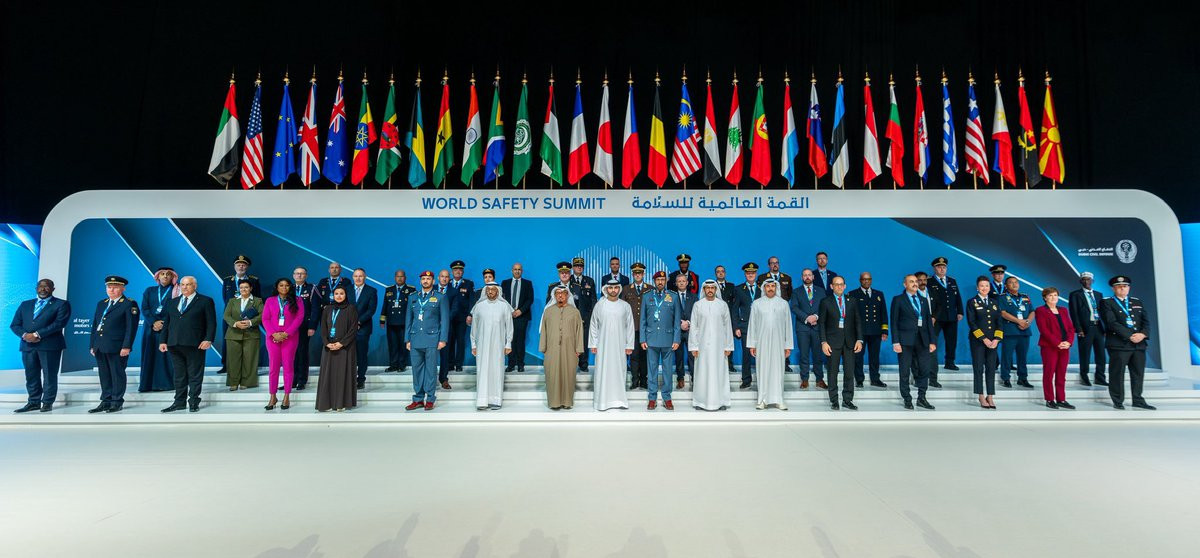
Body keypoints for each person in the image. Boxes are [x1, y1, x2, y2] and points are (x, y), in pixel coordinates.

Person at [9, 278, 70, 413]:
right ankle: (33, 402)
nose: (43, 289)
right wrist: (25, 335)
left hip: (50, 346)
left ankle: (47, 402)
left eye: (47, 286)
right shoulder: (25, 304)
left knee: (49, 375)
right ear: (36, 288)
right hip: (28, 345)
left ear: (53, 289)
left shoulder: (61, 304)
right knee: (31, 375)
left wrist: (37, 334)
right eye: (40, 286)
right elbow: (15, 325)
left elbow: (59, 323)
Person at [159, 276, 217, 413]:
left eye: (188, 284)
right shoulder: (172, 302)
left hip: (195, 344)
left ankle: (193, 402)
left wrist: (208, 339)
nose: (185, 287)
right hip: (174, 343)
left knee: (195, 375)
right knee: (179, 375)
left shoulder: (205, 301)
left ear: (195, 286)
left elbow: (211, 322)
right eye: (182, 284)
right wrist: (162, 340)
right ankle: (179, 402)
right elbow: (167, 323)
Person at [1102, 276, 1155, 410]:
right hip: (1119, 344)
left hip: (1139, 344)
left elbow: (1146, 322)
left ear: (1129, 288)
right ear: (1113, 288)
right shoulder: (1107, 302)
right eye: (1119, 286)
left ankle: (1138, 400)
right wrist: (1130, 336)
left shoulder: (1136, 301)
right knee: (1117, 373)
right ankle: (1118, 400)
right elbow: (1111, 323)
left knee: (1138, 374)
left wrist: (1143, 334)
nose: (1122, 288)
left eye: (1125, 286)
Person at [89, 276, 139, 413]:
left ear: (123, 288)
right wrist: (93, 344)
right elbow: (95, 325)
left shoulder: (129, 304)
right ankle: (106, 401)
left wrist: (126, 346)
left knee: (117, 374)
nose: (111, 290)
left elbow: (131, 328)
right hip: (100, 345)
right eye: (109, 287)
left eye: (115, 287)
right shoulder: (102, 303)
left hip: (117, 346)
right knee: (104, 374)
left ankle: (116, 401)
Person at [405, 271, 450, 411]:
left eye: (428, 279)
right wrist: (407, 339)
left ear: (433, 281)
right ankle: (418, 399)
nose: (425, 281)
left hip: (432, 338)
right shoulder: (413, 297)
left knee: (430, 370)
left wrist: (443, 339)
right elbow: (408, 320)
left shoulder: (440, 297)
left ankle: (430, 398)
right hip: (415, 338)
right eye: (423, 279)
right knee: (416, 370)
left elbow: (445, 320)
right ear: (420, 281)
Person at [891, 275, 936, 410]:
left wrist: (932, 341)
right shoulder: (898, 300)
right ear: (905, 284)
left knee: (924, 369)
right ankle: (907, 398)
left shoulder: (923, 300)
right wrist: (895, 342)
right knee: (904, 371)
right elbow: (894, 322)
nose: (915, 284)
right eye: (911, 282)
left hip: (923, 341)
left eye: (916, 281)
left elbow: (928, 322)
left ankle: (922, 398)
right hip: (905, 341)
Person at [747, 278, 794, 410]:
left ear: (776, 287)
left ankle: (779, 399)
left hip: (779, 343)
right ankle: (762, 400)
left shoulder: (783, 304)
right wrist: (752, 344)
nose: (770, 288)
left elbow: (788, 325)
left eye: (773, 286)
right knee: (763, 370)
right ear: (764, 288)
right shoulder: (757, 304)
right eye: (768, 286)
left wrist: (788, 346)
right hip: (761, 343)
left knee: (778, 370)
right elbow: (752, 325)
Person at [818, 276, 864, 410]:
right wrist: (823, 342)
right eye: (836, 284)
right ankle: (834, 400)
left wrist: (859, 340)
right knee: (832, 373)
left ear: (845, 286)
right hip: (832, 342)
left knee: (849, 372)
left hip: (850, 342)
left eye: (841, 284)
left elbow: (858, 321)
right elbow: (821, 324)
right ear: (831, 286)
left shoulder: (852, 301)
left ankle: (847, 400)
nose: (839, 286)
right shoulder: (825, 302)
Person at [589, 279, 634, 411]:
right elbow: (593, 325)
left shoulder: (625, 306)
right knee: (603, 371)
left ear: (619, 289)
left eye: (615, 288)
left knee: (619, 370)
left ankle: (619, 400)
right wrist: (593, 344)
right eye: (610, 288)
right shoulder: (600, 305)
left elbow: (630, 326)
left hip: (620, 345)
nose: (613, 290)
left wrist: (629, 345)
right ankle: (602, 402)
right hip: (603, 346)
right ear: (606, 289)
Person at [690, 280, 734, 411]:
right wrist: (694, 346)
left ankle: (721, 401)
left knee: (719, 373)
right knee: (702, 373)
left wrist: (728, 346)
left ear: (716, 290)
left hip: (719, 347)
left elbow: (727, 327)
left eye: (712, 288)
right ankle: (701, 402)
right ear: (704, 290)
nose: (710, 290)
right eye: (707, 288)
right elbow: (694, 327)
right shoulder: (698, 305)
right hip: (702, 347)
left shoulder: (723, 305)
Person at [641, 271, 682, 410]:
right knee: (652, 370)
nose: (660, 282)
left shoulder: (673, 296)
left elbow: (677, 321)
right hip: (651, 339)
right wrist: (642, 339)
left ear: (666, 281)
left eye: (663, 279)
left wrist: (676, 339)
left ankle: (667, 397)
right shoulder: (647, 296)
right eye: (658, 279)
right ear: (654, 281)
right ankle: (652, 398)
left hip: (668, 339)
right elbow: (643, 320)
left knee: (667, 370)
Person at [470, 282, 513, 410]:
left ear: (498, 291)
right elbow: (474, 328)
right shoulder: (479, 306)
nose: (490, 292)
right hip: (482, 345)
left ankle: (496, 400)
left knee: (496, 370)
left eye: (493, 290)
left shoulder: (504, 306)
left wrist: (508, 343)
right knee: (482, 371)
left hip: (498, 345)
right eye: (488, 290)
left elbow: (509, 327)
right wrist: (473, 345)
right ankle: (482, 401)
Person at [263, 278, 305, 411]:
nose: (284, 288)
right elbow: (265, 319)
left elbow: (299, 318)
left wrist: (286, 333)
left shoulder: (297, 300)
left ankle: (287, 396)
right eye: (281, 285)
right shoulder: (270, 300)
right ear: (277, 287)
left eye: (287, 285)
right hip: (273, 338)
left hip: (290, 338)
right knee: (273, 368)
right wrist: (273, 334)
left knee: (288, 366)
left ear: (290, 287)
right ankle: (272, 396)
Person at [540, 285, 584, 410]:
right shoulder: (548, 311)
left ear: (567, 295)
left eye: (563, 293)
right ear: (554, 295)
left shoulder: (575, 312)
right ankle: (554, 402)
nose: (560, 295)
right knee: (552, 375)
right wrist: (543, 347)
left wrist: (579, 349)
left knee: (568, 375)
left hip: (570, 350)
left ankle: (567, 402)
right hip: (551, 349)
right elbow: (544, 331)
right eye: (557, 293)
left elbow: (579, 331)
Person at [316, 286, 358, 412]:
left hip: (345, 348)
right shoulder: (327, 309)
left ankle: (341, 403)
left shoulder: (351, 309)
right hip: (329, 347)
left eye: (341, 293)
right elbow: (323, 328)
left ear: (346, 295)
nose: (339, 296)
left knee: (343, 375)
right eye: (336, 294)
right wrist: (326, 343)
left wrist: (341, 343)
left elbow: (353, 329)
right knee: (328, 375)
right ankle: (327, 403)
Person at [1035, 287, 1076, 409]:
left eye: (1055, 295)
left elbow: (1070, 328)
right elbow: (1044, 330)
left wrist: (1069, 342)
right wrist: (1057, 343)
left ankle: (1061, 399)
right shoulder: (1041, 310)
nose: (1053, 297)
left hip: (1065, 347)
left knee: (1061, 374)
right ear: (1045, 298)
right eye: (1050, 295)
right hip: (1050, 347)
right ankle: (1049, 399)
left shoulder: (1063, 310)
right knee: (1049, 373)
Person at [219, 254, 260, 374]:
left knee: (249, 341)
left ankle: (248, 366)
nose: (241, 267)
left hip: (248, 316)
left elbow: (257, 299)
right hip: (231, 316)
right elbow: (225, 299)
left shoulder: (254, 280)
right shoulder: (227, 280)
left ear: (247, 267)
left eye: (243, 265)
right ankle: (226, 365)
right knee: (228, 340)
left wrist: (249, 315)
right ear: (234, 266)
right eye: (238, 264)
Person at [138, 267, 178, 392]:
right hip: (150, 328)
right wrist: (153, 322)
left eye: (168, 274)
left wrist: (164, 323)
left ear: (172, 277)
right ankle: (147, 385)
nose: (165, 276)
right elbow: (145, 308)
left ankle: (166, 384)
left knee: (166, 356)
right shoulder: (149, 290)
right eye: (162, 274)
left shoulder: (177, 291)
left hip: (169, 328)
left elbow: (177, 309)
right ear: (158, 277)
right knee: (149, 355)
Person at [966, 276, 1003, 409]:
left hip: (993, 342)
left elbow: (999, 322)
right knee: (978, 368)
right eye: (982, 286)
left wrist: (997, 339)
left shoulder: (994, 302)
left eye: (987, 285)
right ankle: (981, 395)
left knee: (991, 368)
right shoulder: (972, 302)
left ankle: (990, 396)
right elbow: (972, 323)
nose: (984, 288)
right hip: (978, 341)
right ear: (977, 288)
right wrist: (984, 339)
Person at [847, 272, 888, 388]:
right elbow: (850, 315)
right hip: (860, 332)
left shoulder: (879, 294)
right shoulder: (853, 294)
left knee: (874, 356)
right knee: (858, 357)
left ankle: (875, 379)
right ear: (860, 280)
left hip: (875, 331)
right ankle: (859, 379)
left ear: (871, 280)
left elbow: (883, 313)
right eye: (864, 279)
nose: (866, 281)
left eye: (868, 279)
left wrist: (884, 331)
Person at [1068, 271, 1107, 386]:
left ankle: (1100, 377)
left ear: (1092, 281)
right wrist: (1079, 329)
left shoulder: (1099, 294)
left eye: (1088, 279)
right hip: (1086, 328)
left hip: (1098, 327)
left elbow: (1103, 312)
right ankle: (1084, 376)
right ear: (1080, 281)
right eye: (1084, 279)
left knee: (1101, 354)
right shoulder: (1075, 294)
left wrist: (1105, 328)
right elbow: (1074, 313)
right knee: (1085, 353)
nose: (1086, 281)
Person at [222, 279, 262, 390]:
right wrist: (235, 324)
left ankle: (247, 382)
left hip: (251, 334)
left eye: (246, 287)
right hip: (233, 334)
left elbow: (261, 315)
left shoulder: (257, 301)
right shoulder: (232, 301)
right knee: (233, 359)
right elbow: (226, 316)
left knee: (250, 359)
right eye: (241, 287)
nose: (243, 289)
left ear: (251, 288)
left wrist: (250, 322)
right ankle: (233, 382)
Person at [790, 269, 826, 389]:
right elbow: (794, 307)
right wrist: (807, 318)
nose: (807, 277)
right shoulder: (796, 292)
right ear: (802, 277)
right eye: (805, 275)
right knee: (804, 355)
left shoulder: (821, 291)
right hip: (802, 328)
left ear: (813, 277)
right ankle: (804, 379)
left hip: (817, 327)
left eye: (809, 275)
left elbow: (824, 307)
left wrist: (816, 316)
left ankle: (819, 379)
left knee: (818, 355)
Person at [998, 276, 1035, 389]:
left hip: (1024, 331)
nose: (1014, 284)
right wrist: (1019, 321)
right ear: (1006, 286)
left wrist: (1027, 322)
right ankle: (1006, 378)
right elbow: (1003, 313)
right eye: (1011, 282)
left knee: (1022, 356)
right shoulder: (1002, 297)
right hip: (1010, 331)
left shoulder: (1025, 297)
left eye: (1016, 282)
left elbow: (1032, 311)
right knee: (1007, 356)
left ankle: (1022, 378)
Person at [927, 257, 963, 372]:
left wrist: (960, 311)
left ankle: (950, 362)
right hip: (936, 317)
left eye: (944, 267)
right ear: (934, 268)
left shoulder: (952, 281)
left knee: (952, 340)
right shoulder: (929, 281)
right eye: (939, 267)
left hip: (951, 316)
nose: (942, 269)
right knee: (932, 340)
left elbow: (957, 297)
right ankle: (931, 363)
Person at [620, 263, 651, 389]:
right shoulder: (626, 289)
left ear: (643, 274)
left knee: (645, 356)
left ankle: (644, 380)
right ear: (632, 274)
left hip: (646, 328)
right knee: (633, 356)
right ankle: (634, 380)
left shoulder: (650, 289)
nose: (638, 275)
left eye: (640, 273)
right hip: (631, 328)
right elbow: (622, 309)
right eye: (635, 273)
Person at [732, 262, 761, 389]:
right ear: (745, 274)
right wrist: (736, 327)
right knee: (746, 354)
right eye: (748, 273)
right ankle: (746, 379)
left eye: (753, 273)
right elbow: (734, 309)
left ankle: (762, 379)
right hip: (745, 326)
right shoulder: (738, 289)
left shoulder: (763, 288)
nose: (750, 275)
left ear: (756, 274)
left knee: (762, 353)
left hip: (761, 327)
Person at [501, 263, 534, 372]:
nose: (517, 271)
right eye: (515, 269)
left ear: (522, 271)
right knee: (510, 340)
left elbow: (530, 299)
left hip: (522, 316)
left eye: (519, 269)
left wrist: (520, 311)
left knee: (520, 341)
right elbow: (502, 299)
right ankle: (511, 364)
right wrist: (510, 311)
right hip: (508, 316)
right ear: (512, 271)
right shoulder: (505, 283)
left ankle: (520, 364)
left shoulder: (527, 283)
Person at [382, 270, 416, 372]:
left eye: (402, 276)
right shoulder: (389, 289)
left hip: (404, 322)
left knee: (403, 344)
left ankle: (401, 365)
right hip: (391, 322)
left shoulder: (411, 289)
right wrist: (382, 320)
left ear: (405, 278)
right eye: (398, 276)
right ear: (395, 278)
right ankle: (393, 365)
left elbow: (414, 307)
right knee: (392, 344)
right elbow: (385, 305)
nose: (399, 278)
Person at [349, 268, 377, 389]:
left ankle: (361, 379)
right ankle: (349, 379)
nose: (358, 278)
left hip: (363, 328)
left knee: (361, 354)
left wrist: (359, 321)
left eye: (360, 276)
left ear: (365, 277)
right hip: (347, 328)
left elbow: (371, 310)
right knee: (348, 355)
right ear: (353, 277)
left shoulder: (371, 291)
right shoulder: (347, 289)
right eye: (356, 276)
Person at [447, 260, 475, 374]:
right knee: (449, 341)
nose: (458, 271)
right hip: (449, 318)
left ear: (463, 271)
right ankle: (450, 364)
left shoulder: (468, 284)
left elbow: (472, 300)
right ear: (452, 271)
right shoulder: (447, 283)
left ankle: (459, 364)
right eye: (455, 270)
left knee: (460, 341)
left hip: (462, 318)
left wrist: (470, 314)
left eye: (460, 270)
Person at [913, 270, 941, 388]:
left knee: (932, 353)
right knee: (916, 354)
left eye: (925, 280)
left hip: (931, 327)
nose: (923, 282)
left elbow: (939, 305)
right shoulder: (912, 294)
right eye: (920, 280)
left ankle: (933, 379)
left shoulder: (933, 292)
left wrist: (934, 317)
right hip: (917, 328)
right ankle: (917, 378)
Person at [568, 257, 596, 372]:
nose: (579, 267)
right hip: (571, 316)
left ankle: (583, 364)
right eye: (576, 265)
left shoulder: (589, 281)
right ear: (573, 267)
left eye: (581, 266)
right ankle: (571, 363)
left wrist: (591, 315)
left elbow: (593, 299)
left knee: (584, 340)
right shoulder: (568, 280)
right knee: (571, 340)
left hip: (585, 316)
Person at [292, 267, 316, 390]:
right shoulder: (288, 288)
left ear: (306, 275)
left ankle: (301, 380)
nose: (299, 275)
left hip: (304, 326)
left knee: (302, 353)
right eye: (297, 273)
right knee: (291, 354)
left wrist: (312, 326)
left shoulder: (311, 289)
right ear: (293, 275)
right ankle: (292, 380)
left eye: (302, 274)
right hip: (290, 327)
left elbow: (315, 309)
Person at [436, 269, 460, 388]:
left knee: (445, 354)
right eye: (442, 276)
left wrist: (444, 320)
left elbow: (455, 309)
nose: (444, 279)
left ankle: (443, 379)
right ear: (438, 278)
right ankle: (429, 378)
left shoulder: (454, 291)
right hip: (430, 327)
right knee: (429, 354)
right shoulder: (431, 289)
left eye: (446, 277)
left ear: (449, 278)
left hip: (446, 327)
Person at [672, 273, 696, 388]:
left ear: (687, 283)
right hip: (677, 331)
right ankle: (680, 378)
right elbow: (670, 313)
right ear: (676, 283)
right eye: (679, 281)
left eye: (683, 281)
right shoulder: (671, 297)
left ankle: (694, 378)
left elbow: (697, 313)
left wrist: (689, 323)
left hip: (691, 330)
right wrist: (680, 323)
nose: (681, 283)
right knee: (679, 355)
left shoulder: (694, 297)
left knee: (692, 355)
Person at [714, 265, 738, 372]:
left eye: (722, 271)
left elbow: (735, 303)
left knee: (729, 341)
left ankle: (729, 364)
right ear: (715, 274)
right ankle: (718, 364)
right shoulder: (712, 286)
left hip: (729, 317)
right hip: (716, 318)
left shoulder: (731, 286)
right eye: (718, 271)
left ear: (725, 273)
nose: (720, 273)